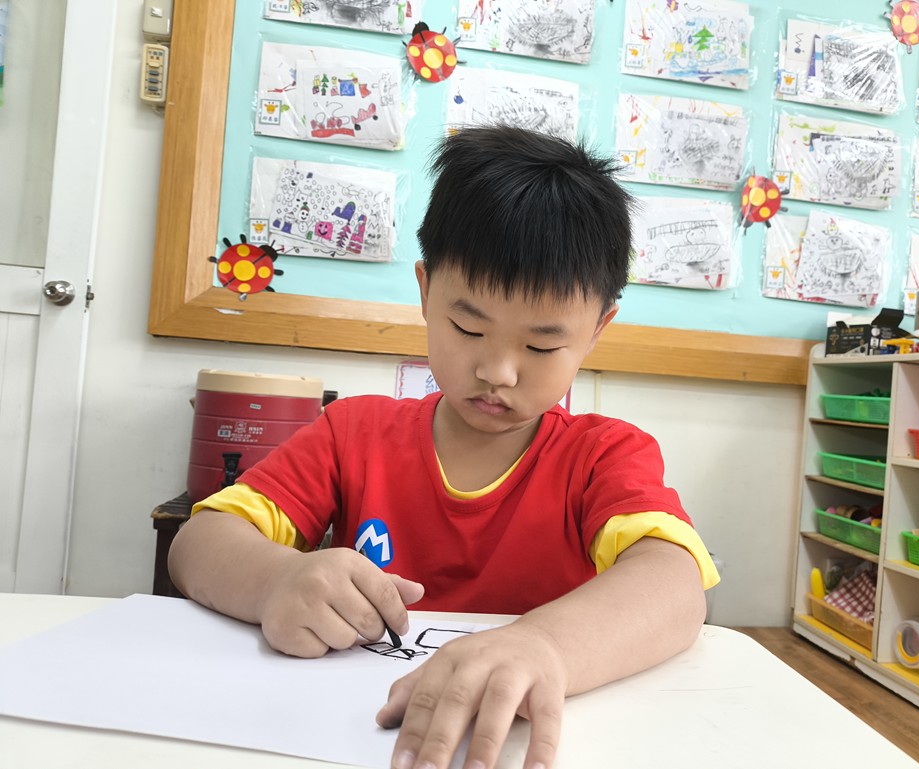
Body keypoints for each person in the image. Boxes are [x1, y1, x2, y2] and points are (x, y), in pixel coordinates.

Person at [168, 124, 720, 769]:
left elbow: (676, 587)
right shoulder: (354, 433)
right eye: (467, 328)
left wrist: (545, 645)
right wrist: (275, 580)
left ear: (598, 329)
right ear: (426, 292)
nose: (498, 372)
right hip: (349, 735)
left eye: (542, 346)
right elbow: (197, 544)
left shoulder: (604, 455)